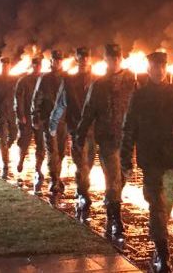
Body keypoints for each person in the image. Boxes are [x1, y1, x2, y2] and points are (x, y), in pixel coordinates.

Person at [120, 51, 173, 272]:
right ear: (148, 69)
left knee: (169, 203)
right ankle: (162, 250)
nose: (159, 70)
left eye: (162, 66)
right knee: (157, 206)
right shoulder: (139, 97)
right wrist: (125, 158)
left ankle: (159, 235)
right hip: (151, 161)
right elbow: (129, 128)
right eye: (154, 66)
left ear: (166, 68)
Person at [75, 43, 136, 240]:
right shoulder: (99, 85)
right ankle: (115, 218)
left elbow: (140, 109)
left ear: (121, 59)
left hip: (127, 140)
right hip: (108, 138)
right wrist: (80, 133)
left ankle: (111, 204)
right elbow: (88, 111)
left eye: (117, 57)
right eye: (111, 58)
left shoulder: (132, 82)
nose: (115, 61)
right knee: (113, 178)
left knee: (124, 174)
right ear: (106, 60)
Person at [51, 47, 96, 222]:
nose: (84, 60)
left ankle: (82, 188)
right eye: (81, 58)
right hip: (77, 129)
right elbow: (60, 104)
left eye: (87, 57)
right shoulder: (69, 81)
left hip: (92, 129)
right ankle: (84, 193)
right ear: (77, 60)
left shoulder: (97, 80)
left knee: (89, 163)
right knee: (82, 164)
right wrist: (53, 124)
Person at [31, 52, 64, 198]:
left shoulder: (66, 78)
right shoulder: (44, 78)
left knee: (61, 151)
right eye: (55, 60)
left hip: (63, 121)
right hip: (48, 119)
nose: (57, 63)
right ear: (51, 61)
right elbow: (37, 97)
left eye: (59, 60)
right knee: (52, 150)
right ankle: (54, 179)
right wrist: (35, 116)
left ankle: (57, 176)